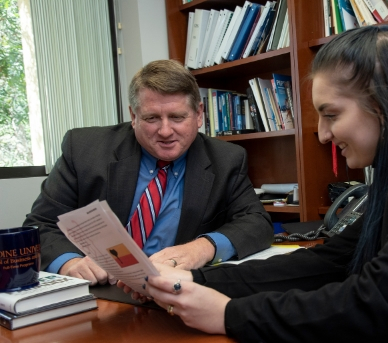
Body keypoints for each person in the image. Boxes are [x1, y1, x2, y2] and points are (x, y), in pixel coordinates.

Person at [130, 26, 388, 342]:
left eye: (331, 114)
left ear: (382, 102)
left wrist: (229, 314)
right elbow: (328, 262)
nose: (325, 135)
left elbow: (381, 299)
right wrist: (195, 283)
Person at [22, 59, 273, 286]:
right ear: (134, 116)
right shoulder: (85, 149)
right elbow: (40, 225)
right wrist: (70, 263)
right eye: (152, 118)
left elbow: (257, 223)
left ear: (198, 115)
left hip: (173, 291)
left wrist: (202, 249)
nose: (165, 131)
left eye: (177, 117)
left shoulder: (226, 159)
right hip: (100, 291)